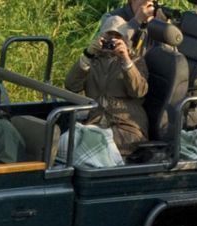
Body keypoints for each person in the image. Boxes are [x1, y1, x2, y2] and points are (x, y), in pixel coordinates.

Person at [64, 15, 149, 157]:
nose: (112, 41)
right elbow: (71, 86)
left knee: (91, 143)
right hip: (95, 123)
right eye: (109, 35)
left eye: (117, 37)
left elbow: (139, 91)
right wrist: (87, 55)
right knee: (67, 141)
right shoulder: (93, 60)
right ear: (101, 37)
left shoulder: (136, 60)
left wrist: (126, 60)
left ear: (125, 40)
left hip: (126, 128)